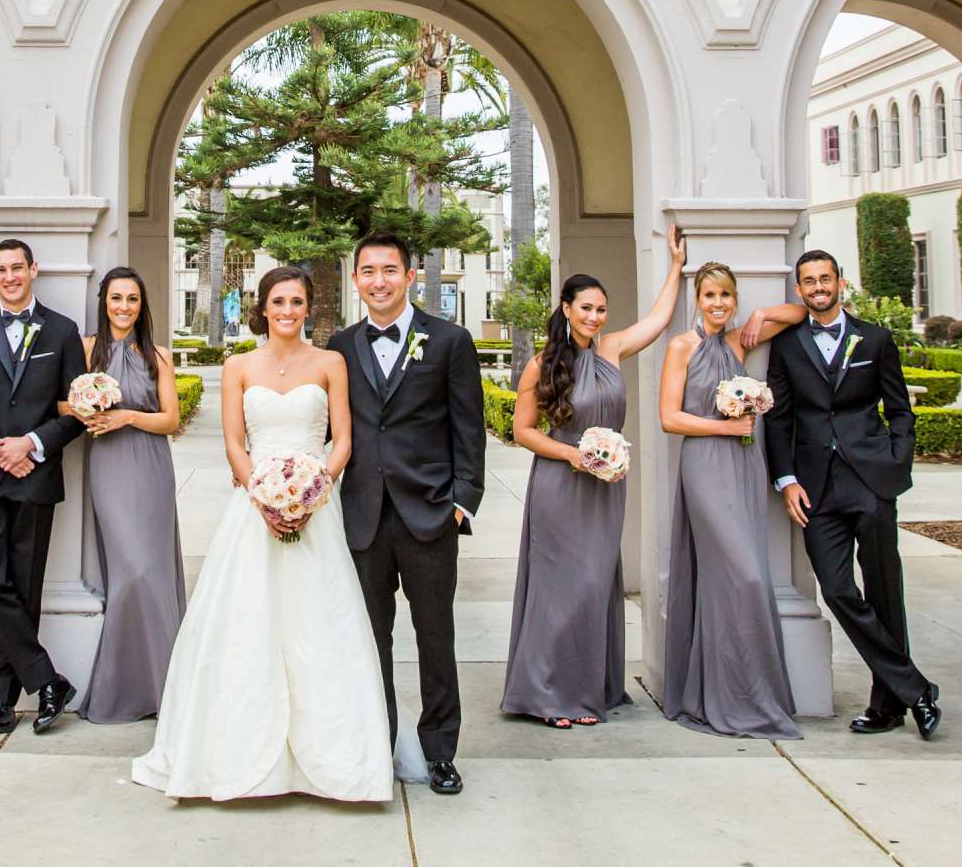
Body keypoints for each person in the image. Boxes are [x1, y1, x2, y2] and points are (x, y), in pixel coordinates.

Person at [132, 265, 393, 801]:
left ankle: (332, 760)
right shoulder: (238, 366)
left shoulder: (330, 363)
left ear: (309, 307)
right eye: (279, 302)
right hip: (252, 509)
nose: (288, 312)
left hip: (317, 508)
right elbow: (233, 442)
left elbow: (342, 438)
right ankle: (239, 755)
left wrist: (313, 490)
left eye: (297, 302)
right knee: (245, 621)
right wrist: (266, 495)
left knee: (319, 622)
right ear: (263, 306)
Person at [501, 228, 687, 728]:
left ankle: (585, 691)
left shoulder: (612, 351)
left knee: (593, 586)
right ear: (566, 309)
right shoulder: (542, 365)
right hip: (561, 486)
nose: (594, 317)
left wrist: (675, 267)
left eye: (601, 309)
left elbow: (659, 319)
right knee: (559, 588)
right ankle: (546, 695)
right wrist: (574, 456)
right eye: (585, 308)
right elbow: (522, 432)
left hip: (606, 489)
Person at [327, 232, 488, 795]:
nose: (379, 280)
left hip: (430, 513)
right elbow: (330, 429)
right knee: (371, 641)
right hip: (363, 517)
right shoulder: (340, 345)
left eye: (389, 270)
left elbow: (470, 429)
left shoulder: (449, 340)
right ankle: (380, 743)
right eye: (368, 270)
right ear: (355, 280)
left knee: (435, 638)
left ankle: (440, 750)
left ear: (410, 276)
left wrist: (463, 501)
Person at [764, 249, 942, 740]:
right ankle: (917, 688)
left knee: (886, 592)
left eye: (825, 278)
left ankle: (887, 706)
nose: (818, 287)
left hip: (871, 481)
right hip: (814, 489)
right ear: (799, 291)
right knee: (839, 590)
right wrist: (786, 480)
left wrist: (895, 462)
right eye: (808, 281)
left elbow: (900, 409)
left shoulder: (875, 339)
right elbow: (779, 419)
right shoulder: (788, 345)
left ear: (840, 283)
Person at [654, 260, 807, 738]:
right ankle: (721, 694)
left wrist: (761, 316)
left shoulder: (741, 340)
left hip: (743, 466)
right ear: (696, 301)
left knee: (746, 576)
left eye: (725, 296)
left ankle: (744, 691)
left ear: (734, 300)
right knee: (740, 574)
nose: (718, 304)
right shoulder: (682, 346)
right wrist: (726, 425)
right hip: (704, 465)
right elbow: (669, 418)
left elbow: (801, 312)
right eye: (709, 296)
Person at [0, 237, 88, 734]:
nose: (9, 277)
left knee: (24, 588)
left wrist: (30, 444)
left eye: (17, 267)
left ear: (34, 270)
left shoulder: (63, 330)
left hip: (35, 474)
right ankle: (47, 678)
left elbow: (78, 410)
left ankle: (1, 702)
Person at [68, 266, 186, 724]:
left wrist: (128, 417)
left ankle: (166, 686)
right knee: (130, 571)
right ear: (105, 301)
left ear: (142, 305)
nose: (123, 307)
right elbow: (62, 402)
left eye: (132, 299)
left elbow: (170, 420)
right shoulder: (84, 349)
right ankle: (125, 685)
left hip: (151, 467)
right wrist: (88, 406)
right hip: (109, 467)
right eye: (116, 298)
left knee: (151, 571)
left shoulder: (157, 355)